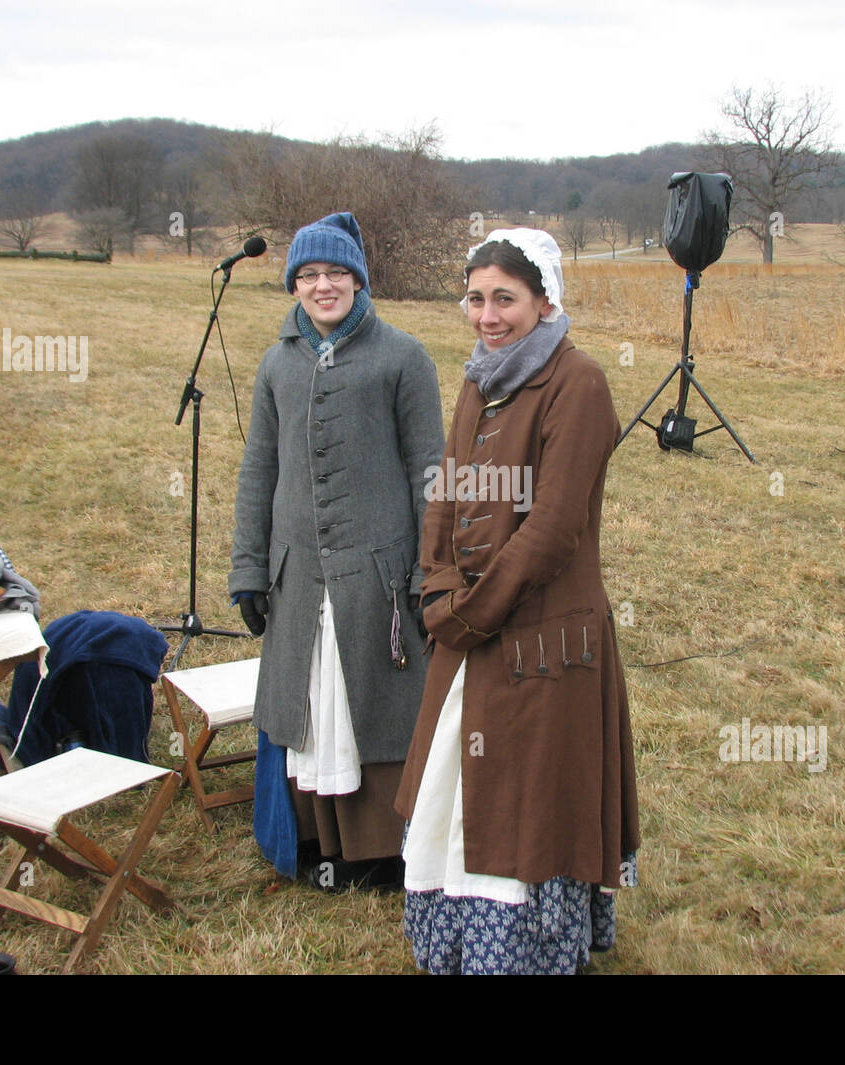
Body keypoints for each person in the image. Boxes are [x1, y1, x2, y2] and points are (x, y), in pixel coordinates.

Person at [395, 229, 640, 974]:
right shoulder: (478, 379)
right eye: (476, 298)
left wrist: (468, 615)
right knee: (456, 783)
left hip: (543, 639)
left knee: (527, 807)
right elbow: (449, 490)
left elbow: (555, 527)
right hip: (468, 626)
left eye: (505, 298)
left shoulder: (580, 382)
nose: (487, 314)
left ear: (544, 299)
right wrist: (436, 581)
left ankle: (523, 952)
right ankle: (457, 940)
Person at [229, 212, 444, 891]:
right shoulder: (275, 363)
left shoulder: (403, 358)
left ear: (359, 280)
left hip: (378, 577)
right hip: (299, 577)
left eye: (337, 273)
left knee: (373, 711)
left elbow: (430, 472)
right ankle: (315, 842)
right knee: (310, 710)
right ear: (294, 284)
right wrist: (249, 568)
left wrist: (427, 571)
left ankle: (381, 853)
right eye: (310, 275)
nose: (324, 286)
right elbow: (258, 469)